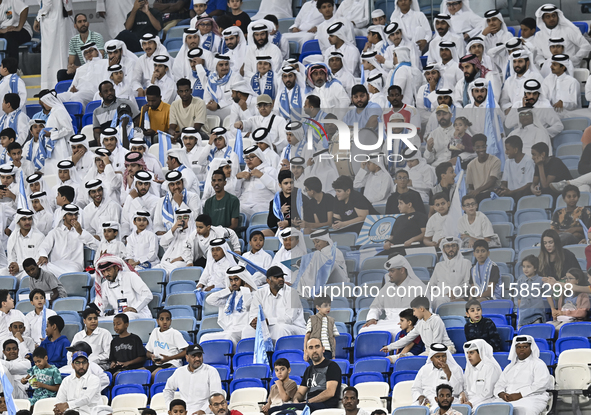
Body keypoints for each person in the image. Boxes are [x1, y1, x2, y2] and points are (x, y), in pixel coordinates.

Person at [241, 266, 306, 341]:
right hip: (268, 326)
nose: (281, 279)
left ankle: (279, 353)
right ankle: (252, 353)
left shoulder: (292, 293)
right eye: (276, 277)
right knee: (247, 330)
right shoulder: (260, 293)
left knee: (279, 328)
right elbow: (253, 313)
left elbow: (289, 319)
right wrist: (255, 321)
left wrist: (268, 321)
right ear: (268, 280)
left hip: (295, 328)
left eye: (282, 276)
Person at [493, 335, 552, 415]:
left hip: (531, 398)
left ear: (531, 348)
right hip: (507, 398)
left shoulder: (538, 364)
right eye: (518, 347)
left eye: (525, 347)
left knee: (524, 411)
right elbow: (499, 384)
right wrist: (502, 394)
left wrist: (520, 394)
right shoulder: (510, 367)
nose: (521, 349)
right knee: (489, 408)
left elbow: (540, 385)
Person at [201, 265, 256, 346]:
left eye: (236, 279)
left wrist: (246, 291)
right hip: (229, 331)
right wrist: (228, 290)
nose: (233, 283)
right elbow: (209, 300)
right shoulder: (229, 297)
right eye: (231, 280)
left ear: (243, 279)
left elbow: (248, 305)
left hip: (244, 331)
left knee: (230, 337)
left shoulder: (253, 295)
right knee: (204, 337)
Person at [163, 344, 223, 414]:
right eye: (193, 356)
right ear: (187, 357)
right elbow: (168, 390)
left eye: (199, 356)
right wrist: (170, 406)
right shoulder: (179, 372)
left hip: (205, 412)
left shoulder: (211, 371)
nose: (197, 359)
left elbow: (216, 395)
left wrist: (204, 410)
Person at [93, 254, 153, 321]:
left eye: (108, 270)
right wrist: (96, 312)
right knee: (94, 320)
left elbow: (148, 294)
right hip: (118, 316)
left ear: (116, 268)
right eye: (103, 271)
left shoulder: (130, 276)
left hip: (138, 314)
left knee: (127, 316)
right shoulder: (104, 285)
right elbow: (100, 305)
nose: (106, 274)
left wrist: (135, 308)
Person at [411, 343, 464, 407]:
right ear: (431, 358)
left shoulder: (455, 369)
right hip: (427, 401)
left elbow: (458, 391)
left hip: (448, 402)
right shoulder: (424, 369)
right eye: (437, 357)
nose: (441, 359)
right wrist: (420, 397)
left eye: (443, 356)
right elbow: (415, 388)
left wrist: (448, 373)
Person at [35, 0, 71, 90]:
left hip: (50, 19)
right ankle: (59, 83)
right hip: (57, 19)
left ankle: (48, 86)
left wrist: (37, 18)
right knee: (59, 54)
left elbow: (47, 4)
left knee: (49, 55)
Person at [428, 237, 472, 310]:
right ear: (443, 249)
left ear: (458, 248)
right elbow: (431, 285)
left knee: (440, 300)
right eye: (447, 246)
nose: (451, 249)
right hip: (438, 295)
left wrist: (455, 291)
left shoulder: (466, 263)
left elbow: (468, 284)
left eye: (453, 246)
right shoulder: (439, 265)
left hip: (455, 296)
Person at [54, 351, 103, 415]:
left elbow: (86, 399)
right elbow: (60, 400)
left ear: (88, 365)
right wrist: (58, 410)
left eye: (84, 362)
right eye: (77, 363)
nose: (81, 366)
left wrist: (67, 405)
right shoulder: (66, 381)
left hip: (89, 413)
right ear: (72, 365)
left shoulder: (94, 379)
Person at [460, 339, 502, 410]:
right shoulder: (469, 366)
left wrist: (471, 402)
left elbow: (488, 393)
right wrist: (463, 394)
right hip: (469, 400)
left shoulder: (491, 367)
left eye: (472, 353)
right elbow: (466, 387)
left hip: (486, 400)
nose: (468, 356)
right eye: (467, 353)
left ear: (481, 353)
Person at [146, 309, 189, 379]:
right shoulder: (154, 332)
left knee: (155, 375)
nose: (165, 322)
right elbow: (148, 352)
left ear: (170, 321)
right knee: (141, 373)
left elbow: (187, 350)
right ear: (157, 321)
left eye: (167, 319)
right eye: (162, 319)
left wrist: (168, 358)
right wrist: (151, 356)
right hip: (158, 364)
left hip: (172, 363)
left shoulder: (175, 333)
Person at [465, 134, 501, 203]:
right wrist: (473, 193)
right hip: (477, 195)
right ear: (474, 148)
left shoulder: (495, 161)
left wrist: (478, 190)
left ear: (486, 146)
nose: (481, 149)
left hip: (491, 193)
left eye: (483, 146)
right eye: (478, 147)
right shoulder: (470, 165)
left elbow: (492, 182)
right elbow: (471, 186)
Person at [159, 208, 195, 275]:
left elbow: (195, 252)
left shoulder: (193, 233)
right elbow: (162, 243)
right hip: (168, 262)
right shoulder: (174, 232)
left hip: (182, 262)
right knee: (155, 270)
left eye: (185, 217)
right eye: (179, 218)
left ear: (190, 219)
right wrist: (174, 228)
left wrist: (180, 258)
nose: (182, 220)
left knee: (171, 271)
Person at [498, 135, 535, 201]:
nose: (506, 152)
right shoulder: (508, 162)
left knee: (520, 195)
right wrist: (502, 188)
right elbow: (504, 181)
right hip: (510, 194)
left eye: (507, 149)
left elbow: (529, 184)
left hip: (523, 194)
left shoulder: (528, 161)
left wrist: (512, 192)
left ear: (515, 150)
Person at [303, 296, 339, 361]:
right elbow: (307, 336)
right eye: (325, 306)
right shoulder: (312, 319)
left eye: (329, 305)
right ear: (318, 307)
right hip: (315, 351)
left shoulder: (331, 321)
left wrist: (333, 355)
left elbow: (333, 339)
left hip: (327, 351)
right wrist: (306, 351)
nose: (328, 308)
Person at [517, 255, 547, 329]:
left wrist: (553, 309)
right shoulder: (520, 281)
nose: (525, 269)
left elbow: (549, 295)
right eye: (524, 266)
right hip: (523, 316)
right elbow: (519, 298)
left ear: (535, 268)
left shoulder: (541, 280)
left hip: (537, 315)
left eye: (528, 266)